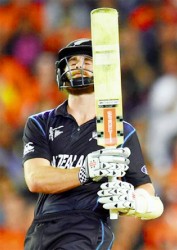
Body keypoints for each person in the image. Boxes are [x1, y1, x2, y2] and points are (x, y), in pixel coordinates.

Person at [22, 38, 164, 250]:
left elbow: (145, 187)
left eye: (88, 61)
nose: (79, 65)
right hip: (41, 228)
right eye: (73, 61)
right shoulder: (40, 123)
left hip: (87, 227)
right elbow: (35, 179)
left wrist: (134, 200)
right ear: (62, 70)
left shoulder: (120, 130)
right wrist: (87, 170)